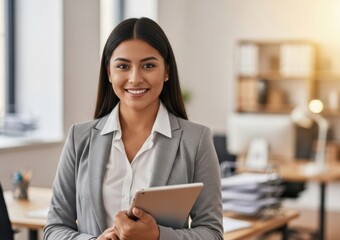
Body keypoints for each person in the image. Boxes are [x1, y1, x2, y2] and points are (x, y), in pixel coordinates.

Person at [44, 17, 223, 240]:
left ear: (166, 71)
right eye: (123, 66)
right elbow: (54, 229)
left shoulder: (195, 140)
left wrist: (158, 236)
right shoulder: (79, 138)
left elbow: (212, 233)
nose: (135, 78)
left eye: (148, 65)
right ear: (109, 73)